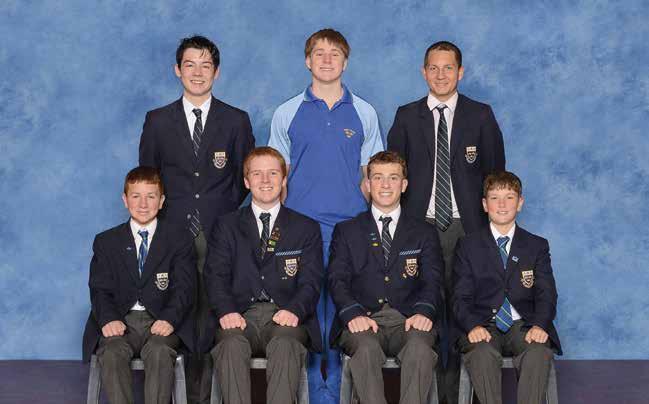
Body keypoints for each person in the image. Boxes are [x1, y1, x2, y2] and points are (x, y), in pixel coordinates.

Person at [387, 40, 505, 404]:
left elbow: (495, 176)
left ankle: (459, 396)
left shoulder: (480, 115)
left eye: (448, 68)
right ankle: (427, 395)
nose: (441, 75)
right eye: (434, 68)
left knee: (464, 309)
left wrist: (486, 230)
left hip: (466, 228)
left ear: (461, 72)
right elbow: (392, 177)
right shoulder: (407, 116)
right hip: (419, 229)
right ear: (424, 72)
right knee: (424, 310)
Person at [268, 28, 383, 401]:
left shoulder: (364, 112)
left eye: (335, 53)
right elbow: (277, 178)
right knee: (303, 317)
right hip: (300, 234)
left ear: (345, 62)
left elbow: (371, 179)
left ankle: (331, 395)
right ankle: (307, 394)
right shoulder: (287, 112)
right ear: (307, 61)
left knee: (340, 317)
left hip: (348, 233)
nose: (327, 59)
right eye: (319, 53)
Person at [139, 35, 255, 403]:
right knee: (176, 308)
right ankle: (175, 393)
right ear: (177, 70)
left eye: (206, 65)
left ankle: (204, 396)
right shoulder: (157, 121)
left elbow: (245, 179)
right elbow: (148, 177)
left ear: (216, 72)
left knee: (212, 314)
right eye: (190, 65)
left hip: (219, 232)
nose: (198, 72)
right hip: (172, 232)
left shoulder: (236, 120)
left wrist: (220, 216)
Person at [202, 147, 324, 404]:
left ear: (284, 179)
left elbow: (312, 281)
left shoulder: (306, 227)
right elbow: (215, 276)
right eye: (257, 174)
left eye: (273, 173)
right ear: (247, 182)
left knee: (285, 342)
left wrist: (294, 309)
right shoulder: (226, 225)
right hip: (239, 316)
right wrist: (226, 311)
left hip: (285, 316)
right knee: (230, 343)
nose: (265, 180)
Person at [328, 151, 444, 404]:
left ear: (404, 184)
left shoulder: (424, 232)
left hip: (409, 319)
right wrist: (353, 314)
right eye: (378, 177)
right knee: (366, 349)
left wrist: (424, 311)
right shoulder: (347, 231)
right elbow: (337, 279)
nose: (385, 184)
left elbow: (433, 279)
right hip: (363, 319)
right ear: (367, 184)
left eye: (393, 177)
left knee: (420, 349)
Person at [82, 166, 196, 404]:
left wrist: (169, 318)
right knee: (112, 351)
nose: (143, 204)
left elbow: (185, 288)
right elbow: (100, 288)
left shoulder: (179, 239)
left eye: (151, 196)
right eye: (136, 196)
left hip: (161, 321)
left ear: (161, 201)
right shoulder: (106, 241)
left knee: (159, 351)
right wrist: (108, 319)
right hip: (120, 320)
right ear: (125, 200)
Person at [452, 171, 562, 404]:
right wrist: (472, 325)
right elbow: (460, 296)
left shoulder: (536, 245)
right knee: (481, 353)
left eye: (509, 197)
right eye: (494, 198)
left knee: (538, 352)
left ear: (520, 203)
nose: (502, 205)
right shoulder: (468, 245)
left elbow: (547, 293)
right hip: (483, 324)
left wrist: (540, 324)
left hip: (525, 324)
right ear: (485, 204)